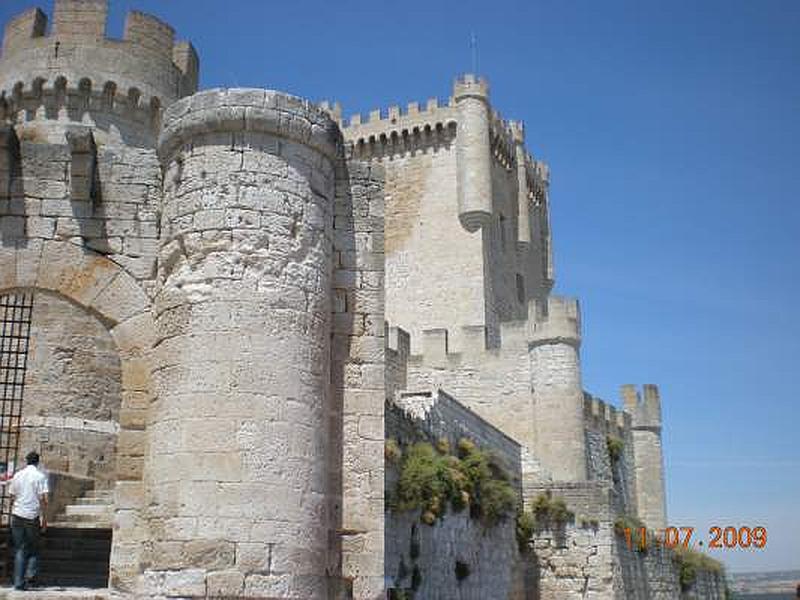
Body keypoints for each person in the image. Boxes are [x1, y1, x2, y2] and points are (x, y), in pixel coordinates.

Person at [7, 451, 49, 591]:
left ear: (26, 461)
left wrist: (13, 511)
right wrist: (44, 519)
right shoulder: (40, 476)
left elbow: (12, 496)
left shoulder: (17, 475)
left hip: (17, 515)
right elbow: (44, 499)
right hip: (32, 516)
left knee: (20, 548)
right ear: (38, 462)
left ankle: (18, 582)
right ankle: (30, 576)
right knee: (34, 548)